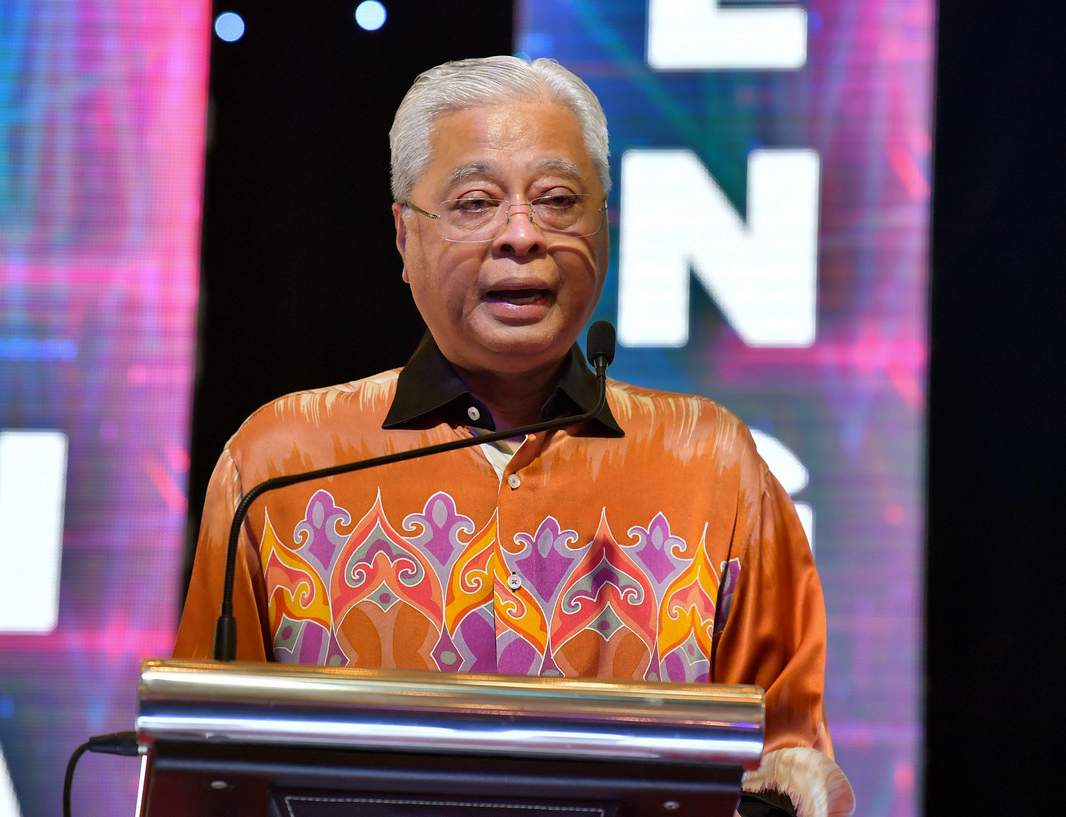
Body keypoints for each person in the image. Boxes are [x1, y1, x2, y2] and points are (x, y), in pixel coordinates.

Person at [174, 56, 854, 817]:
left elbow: (781, 753)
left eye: (558, 199)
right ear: (403, 235)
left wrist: (798, 779)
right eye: (475, 203)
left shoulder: (712, 462)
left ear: (608, 223)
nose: (522, 235)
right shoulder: (279, 463)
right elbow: (206, 774)